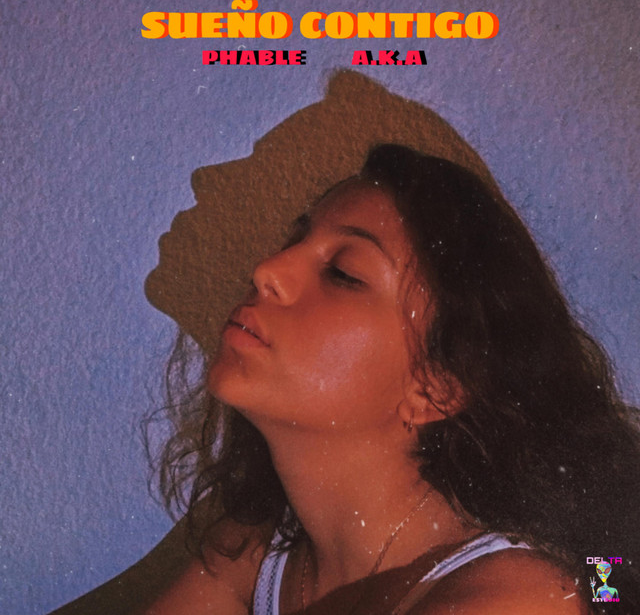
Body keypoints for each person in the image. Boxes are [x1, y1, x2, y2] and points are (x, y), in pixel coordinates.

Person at [51, 72, 640, 614]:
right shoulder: (254, 553)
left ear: (436, 387)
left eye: (343, 273)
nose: (267, 269)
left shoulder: (517, 599)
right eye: (295, 239)